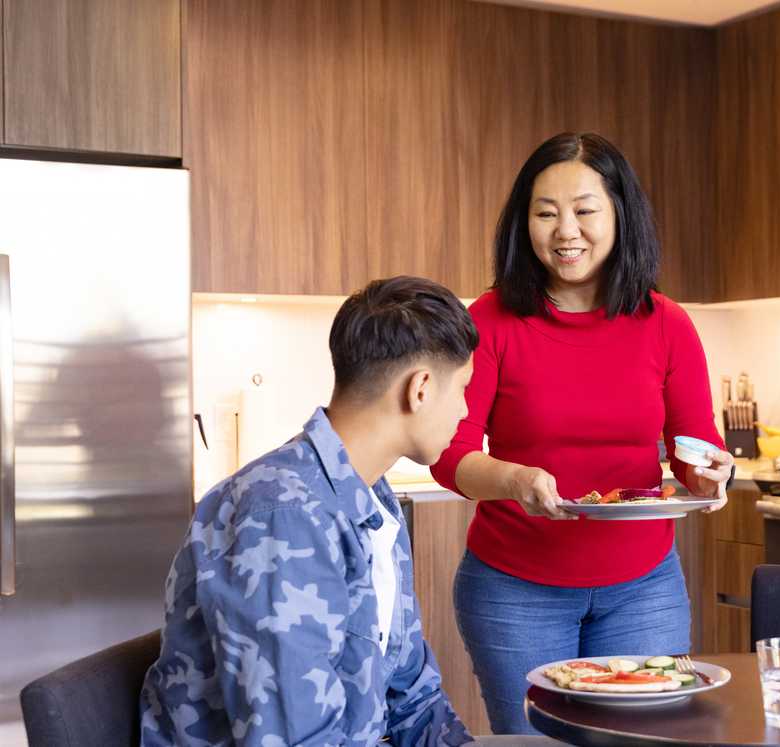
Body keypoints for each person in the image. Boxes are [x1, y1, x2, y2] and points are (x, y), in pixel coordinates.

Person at [430, 132, 736, 734]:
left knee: (650, 740)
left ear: (620, 213)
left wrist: (709, 472)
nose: (565, 231)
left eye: (584, 210)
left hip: (643, 590)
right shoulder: (490, 321)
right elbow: (450, 454)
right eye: (545, 213)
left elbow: (694, 445)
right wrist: (515, 479)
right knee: (535, 742)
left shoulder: (667, 324)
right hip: (515, 591)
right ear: (525, 224)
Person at [140, 276, 479, 746]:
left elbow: (413, 701)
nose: (465, 411)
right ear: (420, 389)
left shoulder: (375, 504)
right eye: (463, 387)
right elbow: (293, 738)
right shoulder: (282, 517)